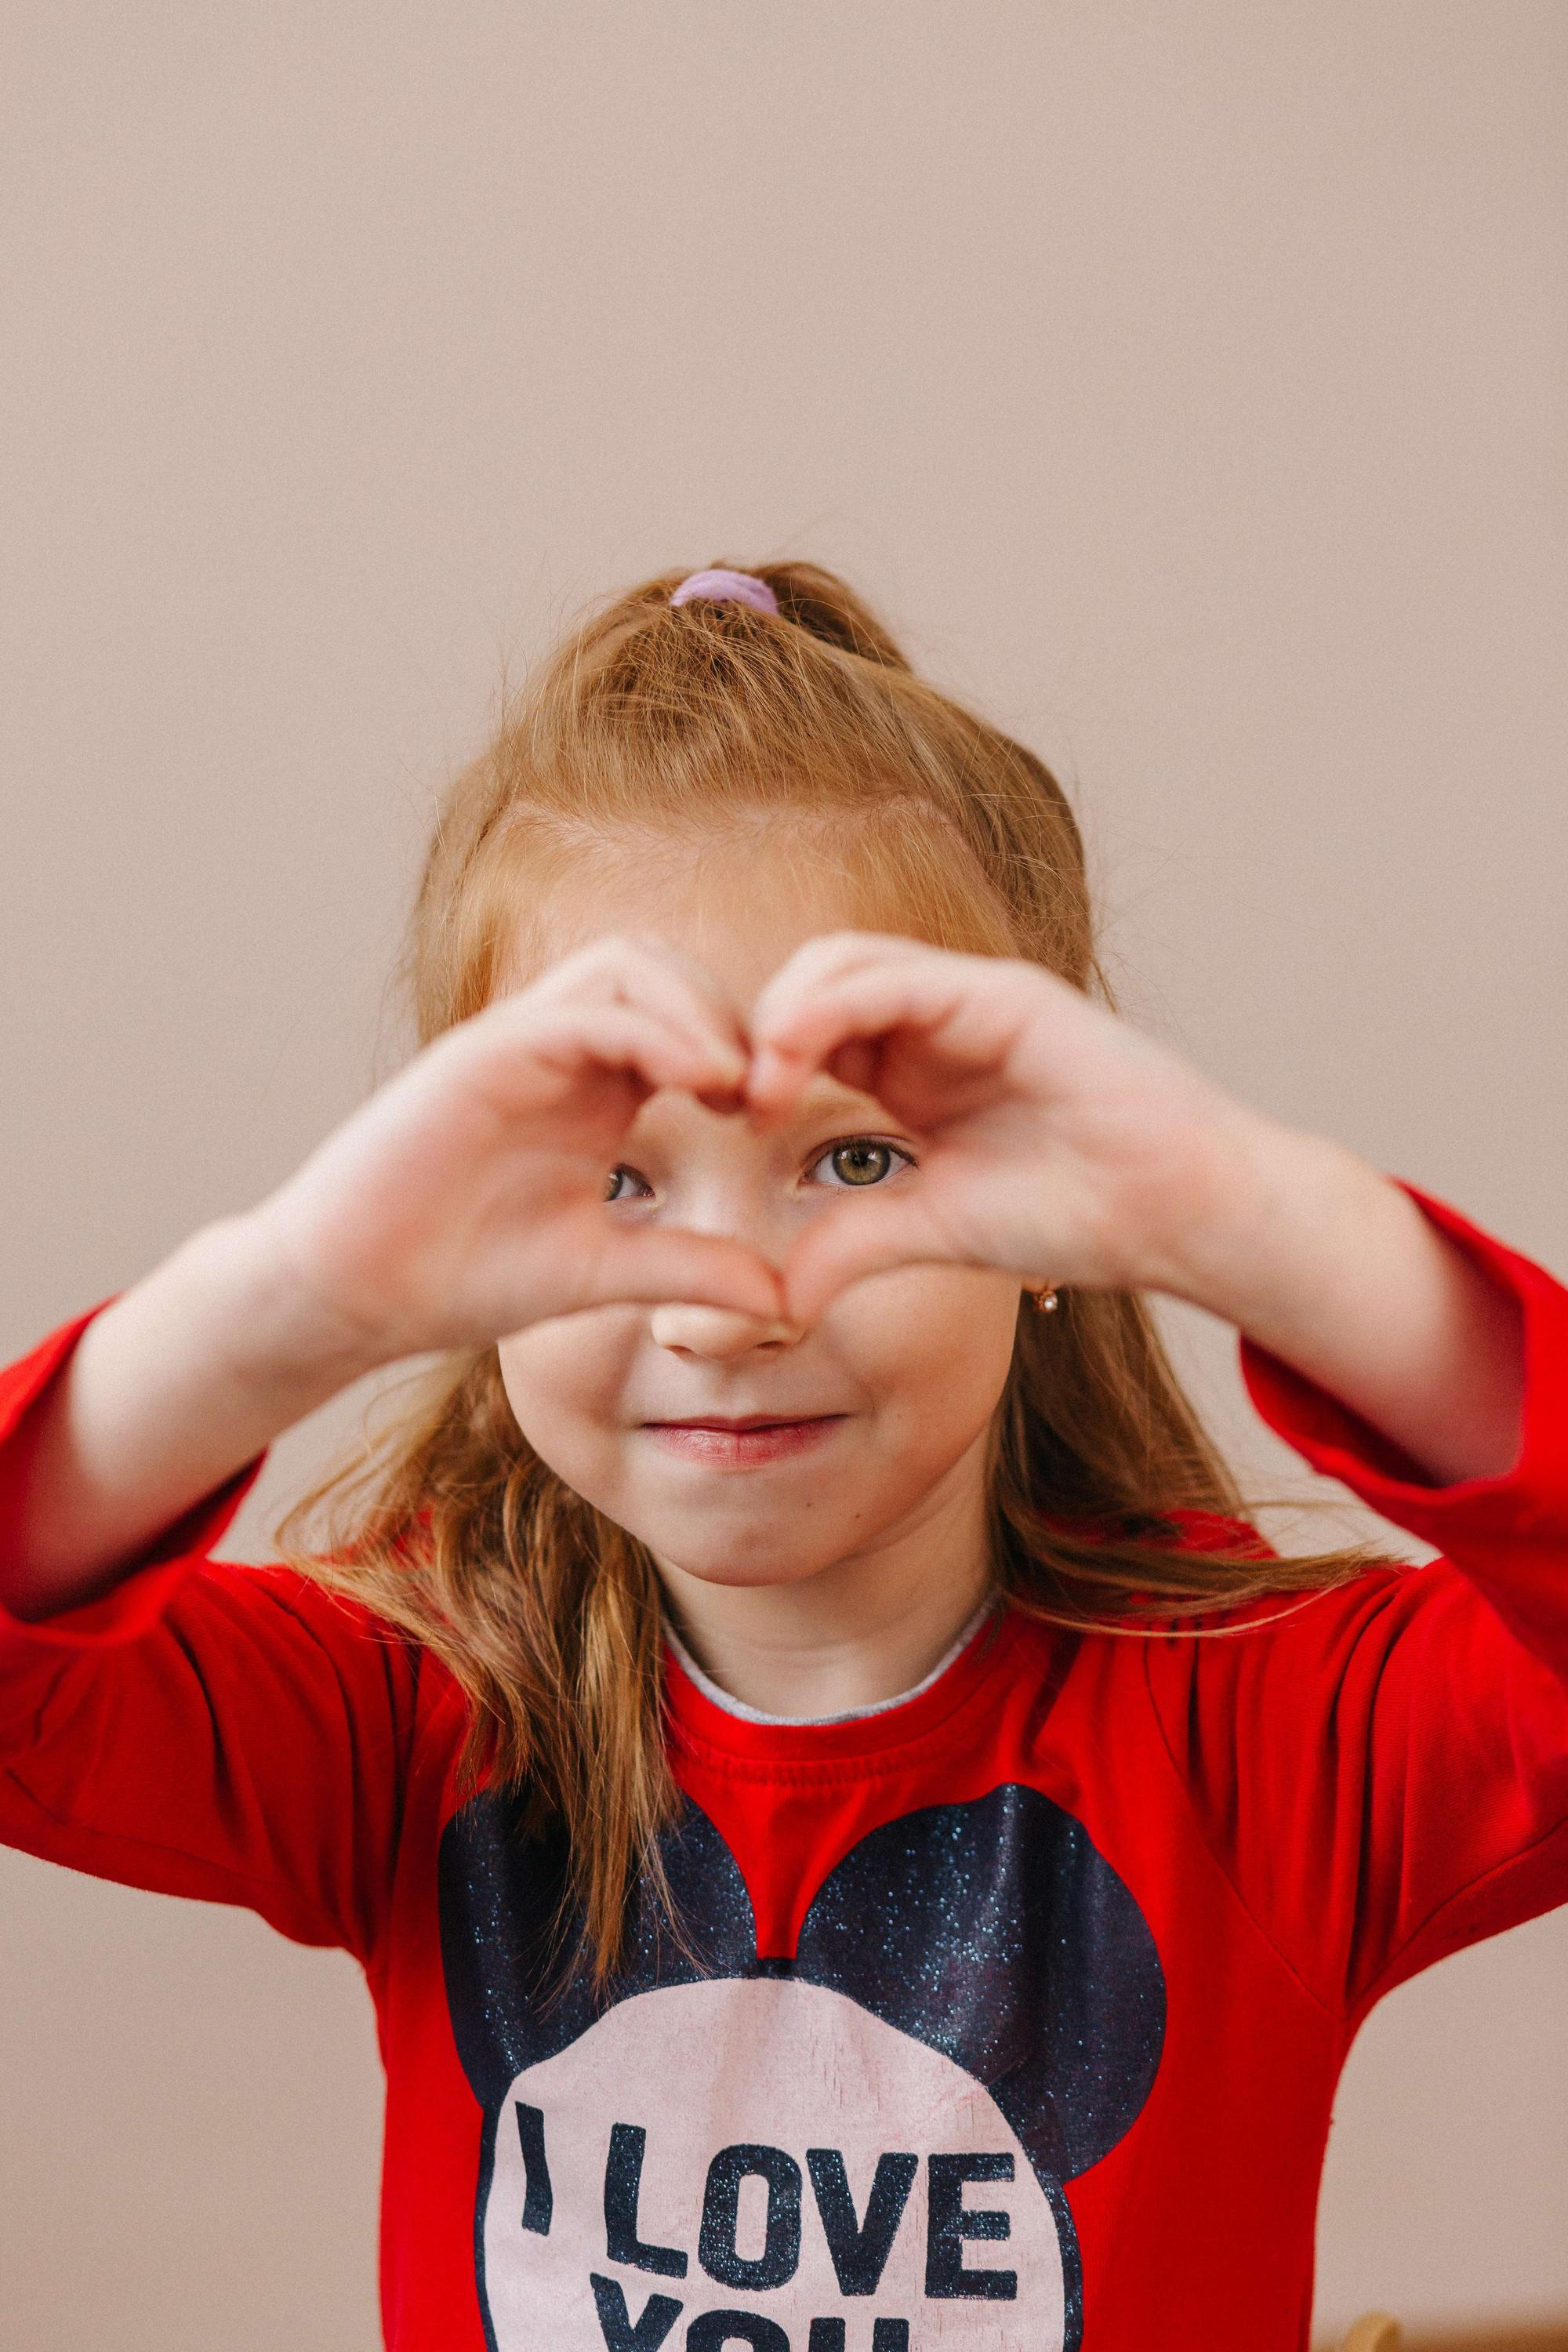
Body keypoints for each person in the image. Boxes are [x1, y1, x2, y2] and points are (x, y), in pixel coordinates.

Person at [1, 562, 1563, 2352]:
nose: (726, 1307)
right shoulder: (409, 1716)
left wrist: (1260, 1225)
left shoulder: (1275, 1742)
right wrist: (285, 1300)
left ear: (1050, 1213)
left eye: (856, 1161)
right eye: (612, 1177)